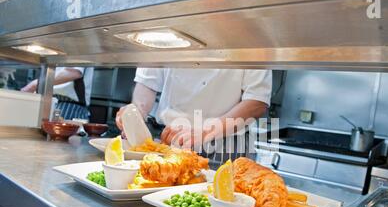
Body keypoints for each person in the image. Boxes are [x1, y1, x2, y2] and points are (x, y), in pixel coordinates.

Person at [116, 68, 272, 155]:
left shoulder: (251, 34)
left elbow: (256, 101)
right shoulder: (165, 25)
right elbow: (148, 82)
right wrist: (135, 113)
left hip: (222, 146)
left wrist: (206, 131)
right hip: (166, 140)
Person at [21, 67, 94, 120]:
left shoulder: (75, 47)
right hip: (54, 102)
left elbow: (74, 72)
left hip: (70, 106)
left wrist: (35, 84)